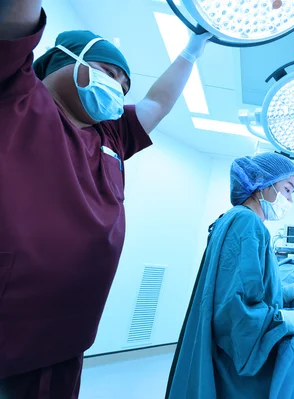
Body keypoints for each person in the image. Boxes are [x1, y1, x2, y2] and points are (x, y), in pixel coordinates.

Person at [0, 1, 211, 396]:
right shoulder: (17, 97)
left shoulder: (111, 137)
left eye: (124, 84)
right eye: (108, 72)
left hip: (68, 339)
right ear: (61, 61)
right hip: (11, 337)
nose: (117, 87)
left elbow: (157, 104)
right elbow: (15, 18)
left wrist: (191, 51)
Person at [166, 153, 294, 399]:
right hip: (232, 368)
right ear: (263, 184)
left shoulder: (238, 221)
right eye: (288, 190)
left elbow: (258, 293)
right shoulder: (246, 223)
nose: (290, 199)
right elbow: (236, 313)